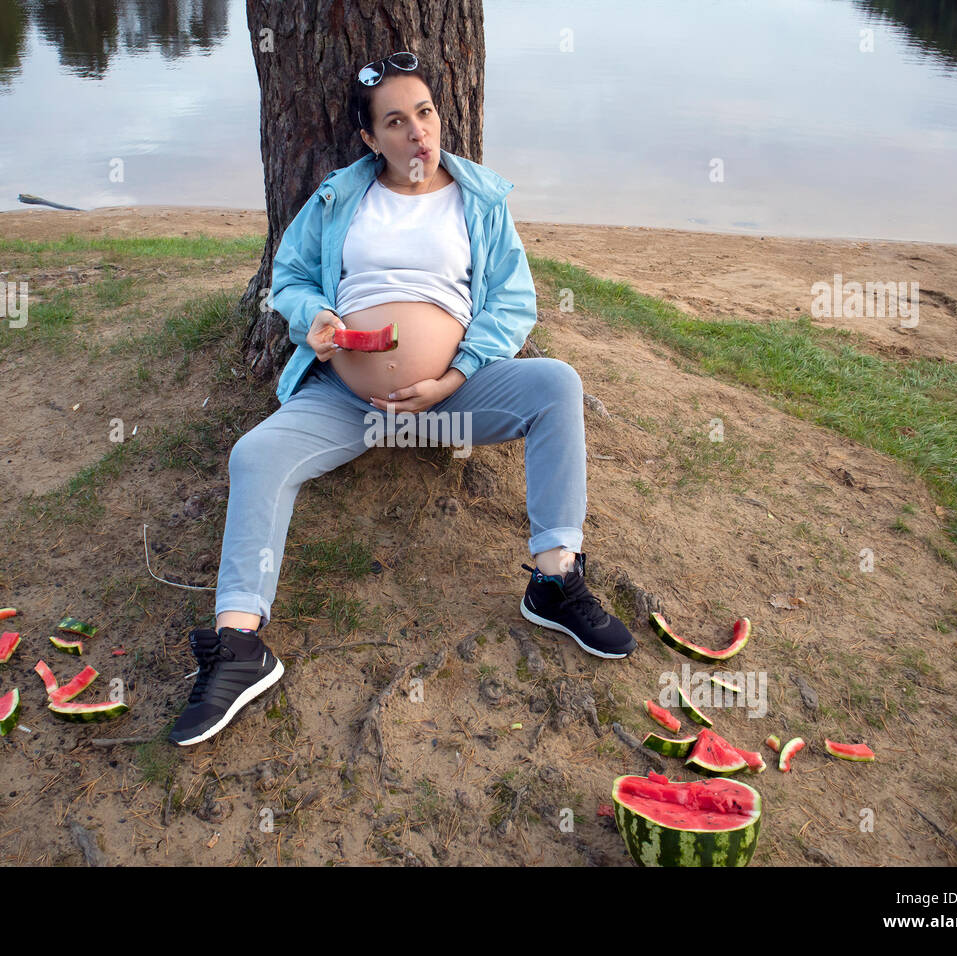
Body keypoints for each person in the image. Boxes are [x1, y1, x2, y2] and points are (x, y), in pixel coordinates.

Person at [169, 52, 636, 747]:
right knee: (255, 454)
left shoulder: (478, 200)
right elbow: (290, 277)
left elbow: (513, 302)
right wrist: (313, 320)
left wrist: (456, 373)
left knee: (557, 385)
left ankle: (554, 581)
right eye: (396, 120)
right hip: (348, 402)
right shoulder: (337, 199)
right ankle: (240, 644)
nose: (417, 132)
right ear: (369, 138)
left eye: (425, 112)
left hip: (451, 396)